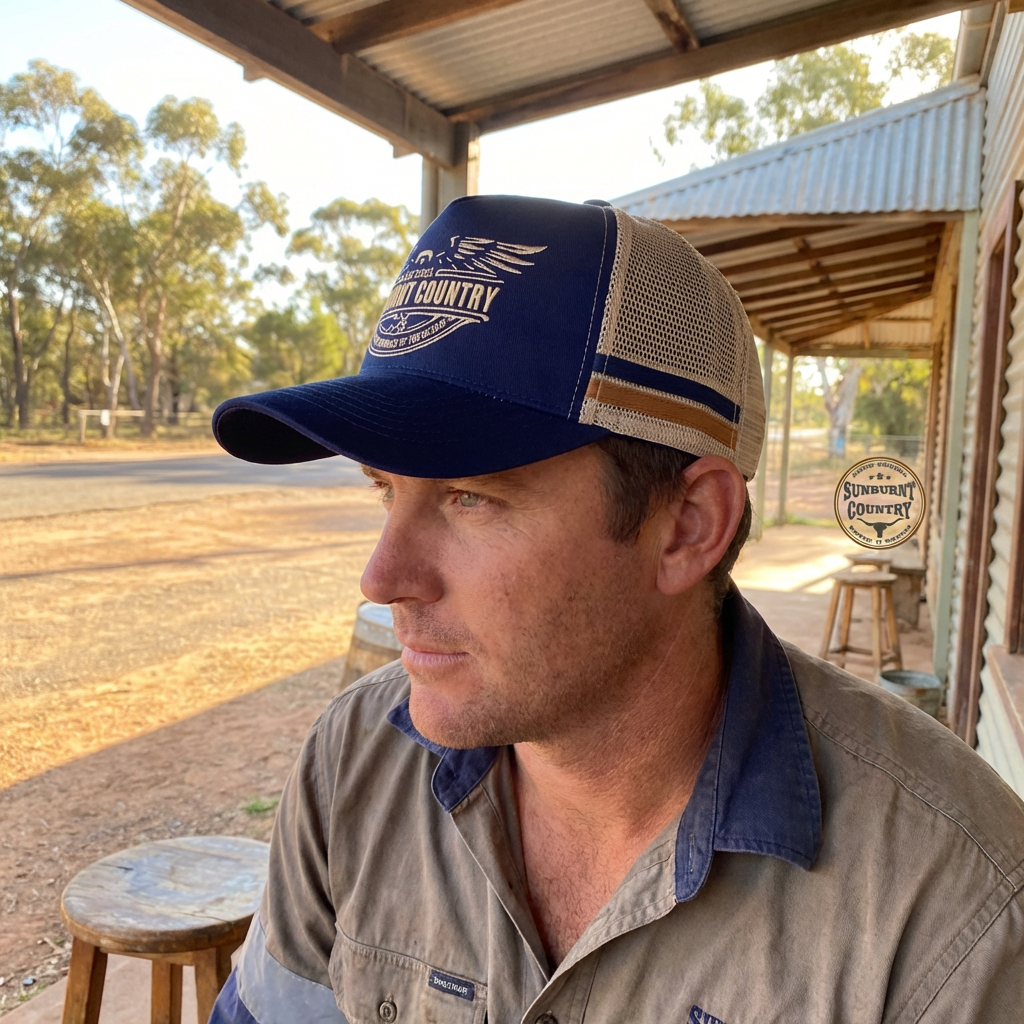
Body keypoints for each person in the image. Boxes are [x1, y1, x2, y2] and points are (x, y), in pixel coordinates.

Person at [209, 196, 1024, 1024]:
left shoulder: (953, 918)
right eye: (386, 489)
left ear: (689, 525)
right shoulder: (353, 763)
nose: (381, 578)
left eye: (469, 497)